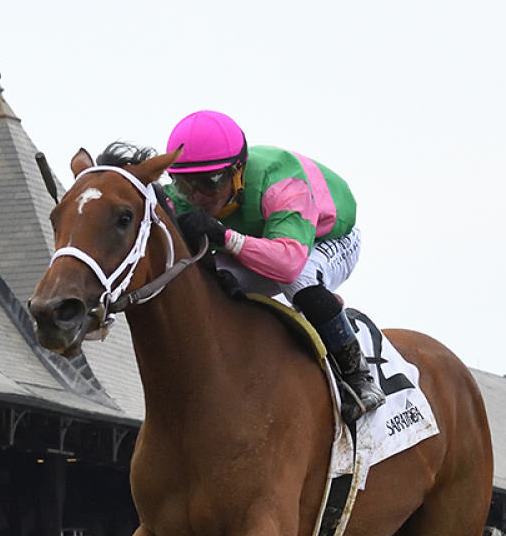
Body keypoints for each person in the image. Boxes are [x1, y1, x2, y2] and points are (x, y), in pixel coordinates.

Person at [162, 110, 385, 422]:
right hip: (267, 239)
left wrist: (224, 236)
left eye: (210, 183)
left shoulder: (281, 183)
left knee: (301, 281)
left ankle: (358, 377)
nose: (198, 196)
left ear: (238, 171)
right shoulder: (181, 197)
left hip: (327, 239)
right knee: (214, 280)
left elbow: (288, 264)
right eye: (186, 185)